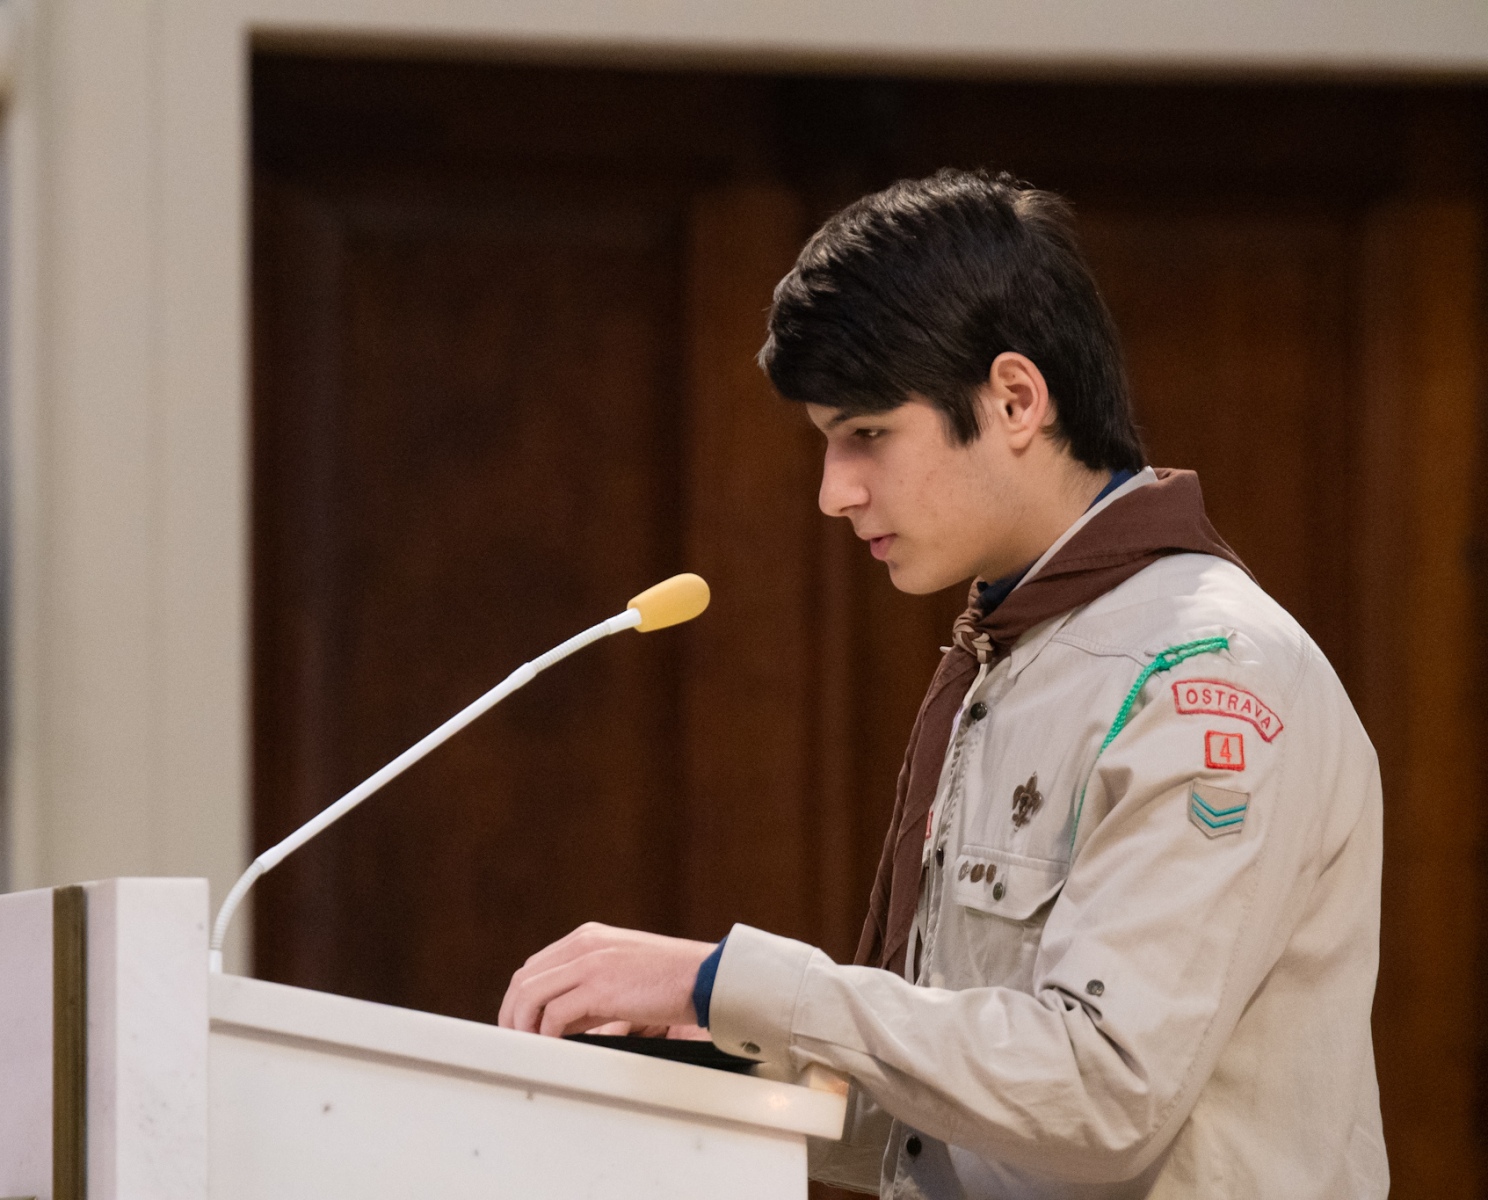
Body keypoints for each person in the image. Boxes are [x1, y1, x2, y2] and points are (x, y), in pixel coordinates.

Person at [497, 169, 1387, 1199]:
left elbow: (1104, 1093)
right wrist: (714, 1058)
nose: (835, 492)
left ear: (1015, 399)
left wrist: (724, 978)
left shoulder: (1204, 670)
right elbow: (971, 1122)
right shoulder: (1025, 654)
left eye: (867, 434)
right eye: (827, 442)